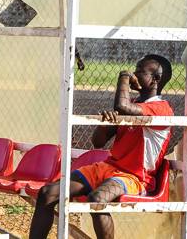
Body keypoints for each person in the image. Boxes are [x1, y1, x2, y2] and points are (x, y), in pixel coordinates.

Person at [29, 54, 174, 239]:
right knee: (47, 193)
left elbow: (122, 106)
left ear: (156, 79)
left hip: (134, 177)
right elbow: (97, 141)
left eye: (140, 71)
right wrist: (107, 122)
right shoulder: (134, 105)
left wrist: (123, 76)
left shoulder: (162, 108)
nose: (134, 75)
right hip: (108, 167)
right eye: (133, 71)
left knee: (97, 199)